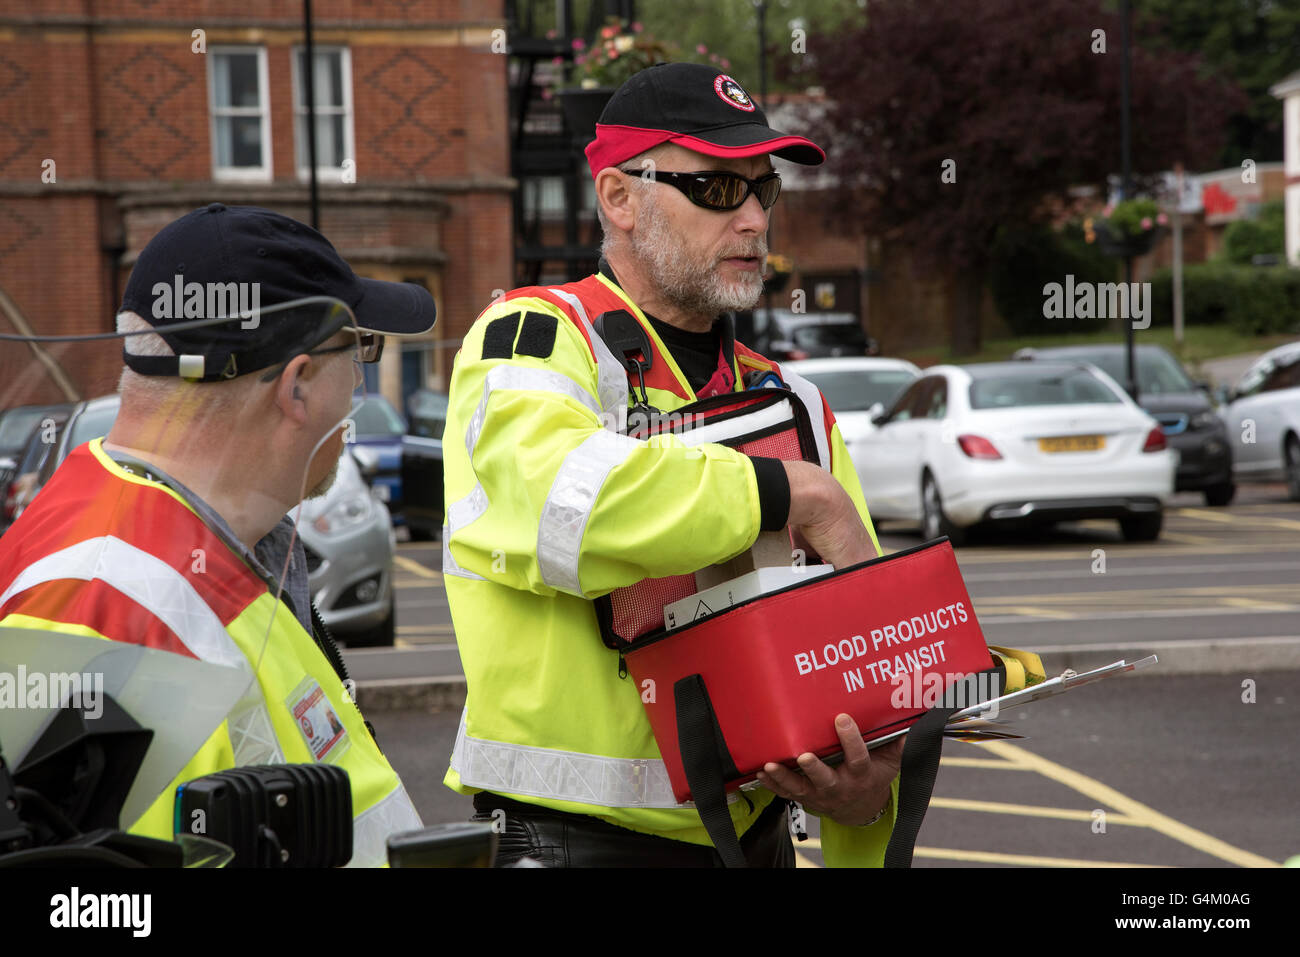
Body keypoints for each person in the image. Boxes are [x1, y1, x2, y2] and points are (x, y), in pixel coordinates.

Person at [442, 63, 904, 867]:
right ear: (619, 197)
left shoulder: (791, 398)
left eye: (767, 191)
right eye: (720, 190)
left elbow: (855, 670)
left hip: (758, 846)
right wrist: (787, 491)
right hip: (575, 847)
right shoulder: (535, 338)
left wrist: (866, 803)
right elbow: (569, 507)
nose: (756, 220)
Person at [0, 204, 435, 866]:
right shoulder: (113, 612)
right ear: (297, 386)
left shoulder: (194, 548)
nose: (358, 389)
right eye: (361, 350)